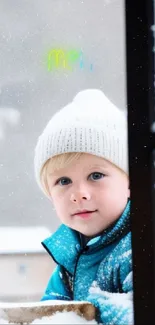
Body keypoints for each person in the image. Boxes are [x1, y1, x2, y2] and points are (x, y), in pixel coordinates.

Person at [34, 89, 133, 324]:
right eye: (63, 181)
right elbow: (48, 315)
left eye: (96, 175)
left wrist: (87, 311)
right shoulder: (68, 259)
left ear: (131, 184)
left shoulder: (138, 247)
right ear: (50, 196)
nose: (79, 194)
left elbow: (139, 314)